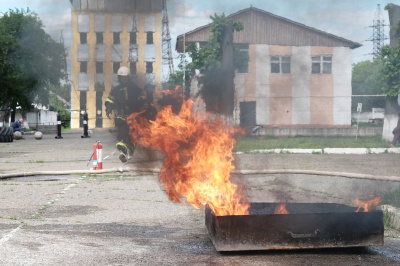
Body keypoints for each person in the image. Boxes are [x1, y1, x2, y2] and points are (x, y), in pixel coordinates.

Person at [105, 66, 146, 162]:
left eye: (125, 77)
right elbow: (110, 99)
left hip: (133, 116)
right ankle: (124, 152)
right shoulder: (116, 90)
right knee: (121, 138)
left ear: (128, 77)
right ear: (119, 78)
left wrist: (139, 102)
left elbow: (142, 98)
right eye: (121, 77)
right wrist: (109, 106)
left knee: (132, 136)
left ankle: (128, 151)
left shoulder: (135, 88)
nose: (123, 79)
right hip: (121, 117)